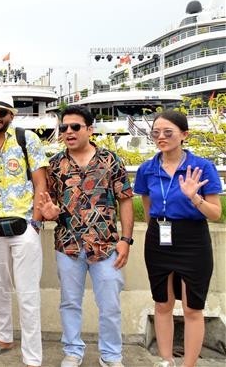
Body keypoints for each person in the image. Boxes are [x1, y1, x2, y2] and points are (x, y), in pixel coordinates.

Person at [39, 105, 133, 367]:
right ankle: (72, 351)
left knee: (110, 305)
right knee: (69, 302)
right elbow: (53, 205)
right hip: (67, 245)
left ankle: (112, 355)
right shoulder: (56, 164)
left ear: (89, 130)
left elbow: (125, 200)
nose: (68, 132)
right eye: (64, 128)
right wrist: (50, 212)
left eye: (75, 127)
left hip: (105, 245)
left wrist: (126, 240)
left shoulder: (109, 160)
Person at [133, 110, 222, 367]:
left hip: (193, 238)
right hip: (158, 237)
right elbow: (147, 206)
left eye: (168, 132)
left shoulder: (202, 167)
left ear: (184, 135)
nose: (161, 137)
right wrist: (156, 230)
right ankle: (166, 360)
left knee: (193, 307)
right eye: (156, 133)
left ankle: (189, 364)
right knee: (162, 303)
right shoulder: (147, 169)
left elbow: (215, 213)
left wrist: (194, 197)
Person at [0, 93, 48, 367]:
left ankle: (32, 357)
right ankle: (4, 337)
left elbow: (41, 183)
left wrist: (36, 223)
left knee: (28, 293)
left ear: (11, 116)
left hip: (25, 224)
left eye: (0, 112)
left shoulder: (27, 140)